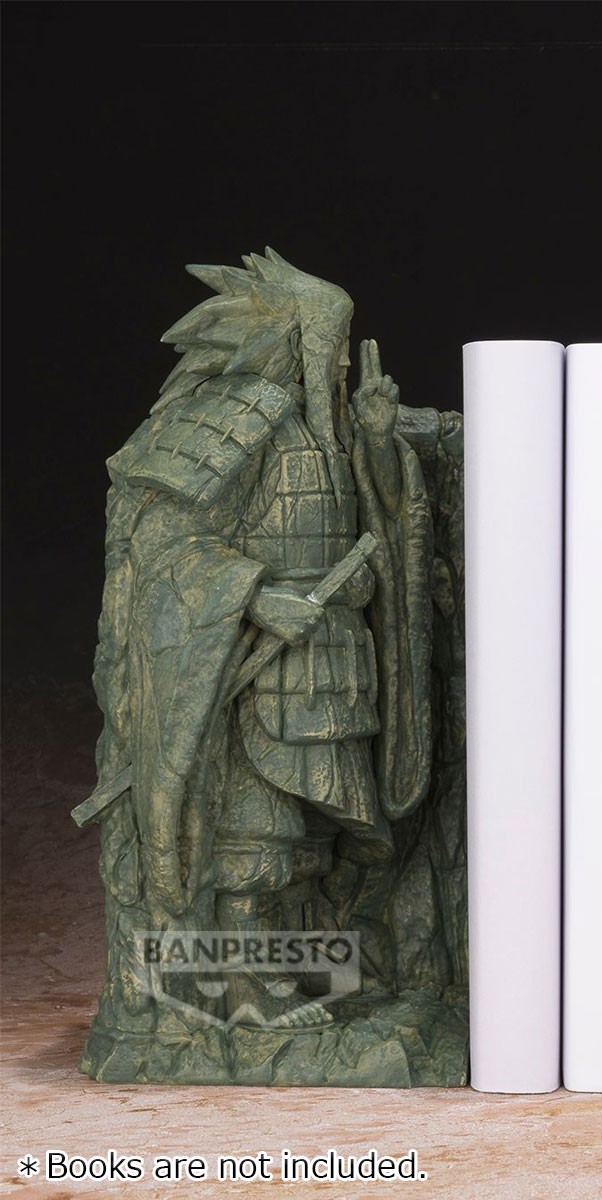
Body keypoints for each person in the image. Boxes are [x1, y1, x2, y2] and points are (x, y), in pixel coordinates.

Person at [84, 250, 437, 1048]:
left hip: (332, 668)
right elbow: (164, 544)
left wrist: (379, 447)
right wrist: (254, 595)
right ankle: (234, 985)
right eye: (332, 342)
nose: (341, 362)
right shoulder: (231, 421)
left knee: (311, 839)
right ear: (295, 341)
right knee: (257, 834)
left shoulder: (330, 433)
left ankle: (283, 970)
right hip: (257, 671)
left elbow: (369, 521)